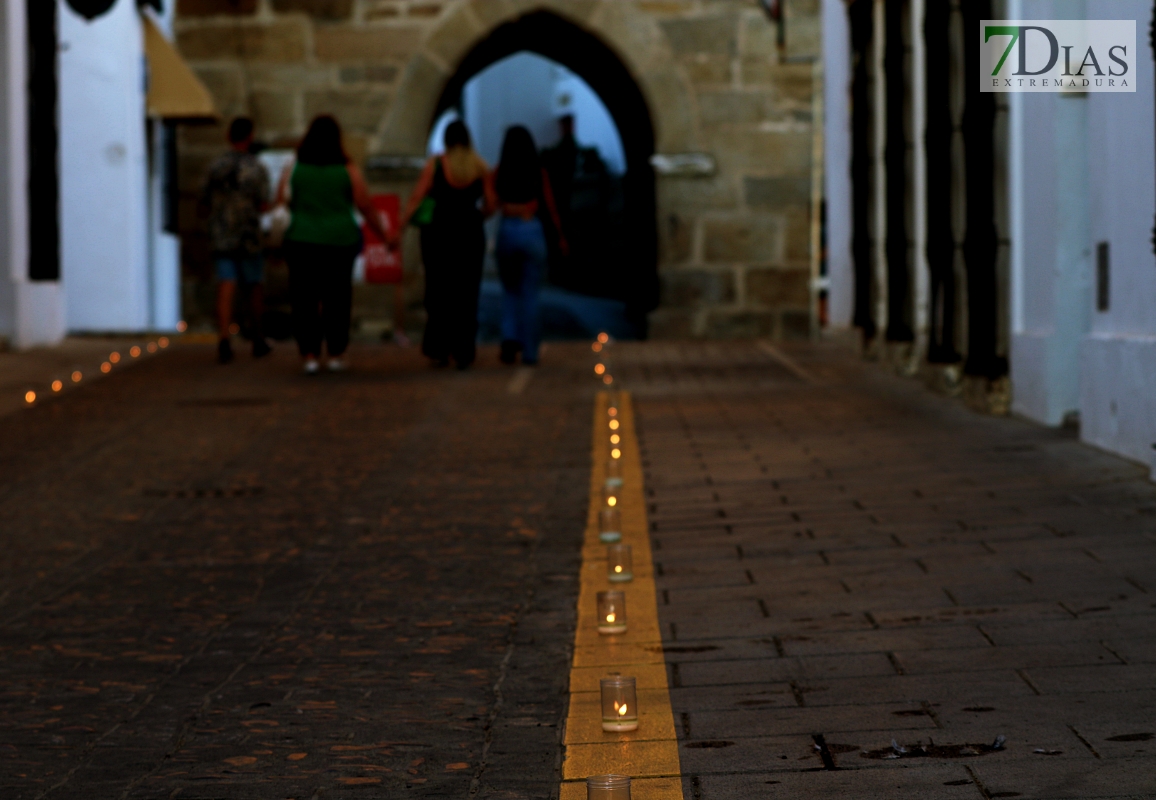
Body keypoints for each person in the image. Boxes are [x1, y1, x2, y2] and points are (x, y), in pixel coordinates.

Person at [276, 115, 387, 375]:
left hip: (301, 239)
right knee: (337, 298)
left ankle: (310, 354)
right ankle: (336, 352)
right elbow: (364, 204)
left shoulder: (294, 167)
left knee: (304, 299)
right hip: (340, 240)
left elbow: (282, 198)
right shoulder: (348, 169)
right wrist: (384, 235)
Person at [394, 120, 493, 369]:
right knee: (467, 292)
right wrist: (477, 216)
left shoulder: (436, 165)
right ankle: (463, 350)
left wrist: (401, 226)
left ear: (447, 140)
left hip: (439, 234)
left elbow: (417, 197)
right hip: (470, 233)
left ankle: (439, 348)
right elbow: (491, 203)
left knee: (439, 290)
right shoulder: (480, 166)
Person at [493, 125, 567, 366]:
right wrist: (560, 235)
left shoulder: (499, 171)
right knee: (531, 293)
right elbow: (550, 205)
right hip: (532, 229)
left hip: (507, 229)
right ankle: (530, 352)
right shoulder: (538, 171)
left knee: (510, 290)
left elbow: (492, 202)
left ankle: (509, 337)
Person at [201, 117, 272, 364]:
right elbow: (264, 203)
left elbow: (204, 200)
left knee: (226, 284)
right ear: (250, 136)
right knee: (254, 285)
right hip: (248, 233)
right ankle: (258, 338)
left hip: (221, 232)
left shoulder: (216, 166)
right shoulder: (256, 168)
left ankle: (224, 337)